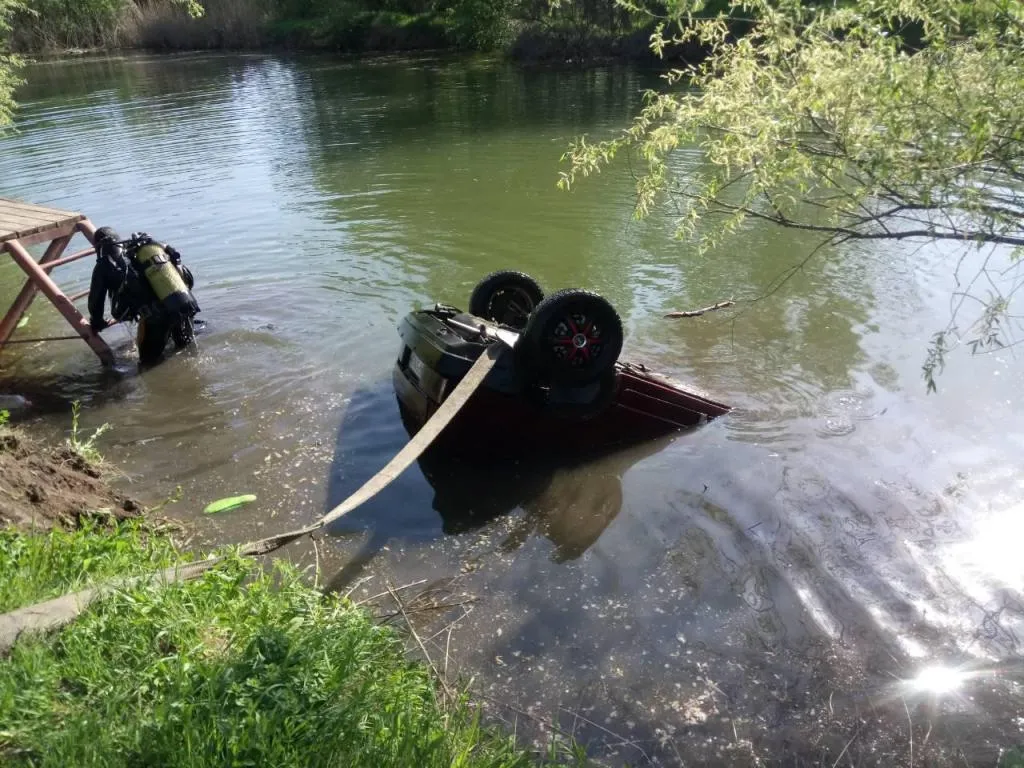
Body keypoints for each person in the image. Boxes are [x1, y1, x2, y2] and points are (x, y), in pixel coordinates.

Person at [87, 226, 200, 367]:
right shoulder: (140, 253)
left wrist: (97, 322)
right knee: (186, 349)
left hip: (156, 317)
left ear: (97, 247)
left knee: (148, 364)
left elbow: (95, 301)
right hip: (183, 303)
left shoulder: (103, 266)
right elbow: (186, 277)